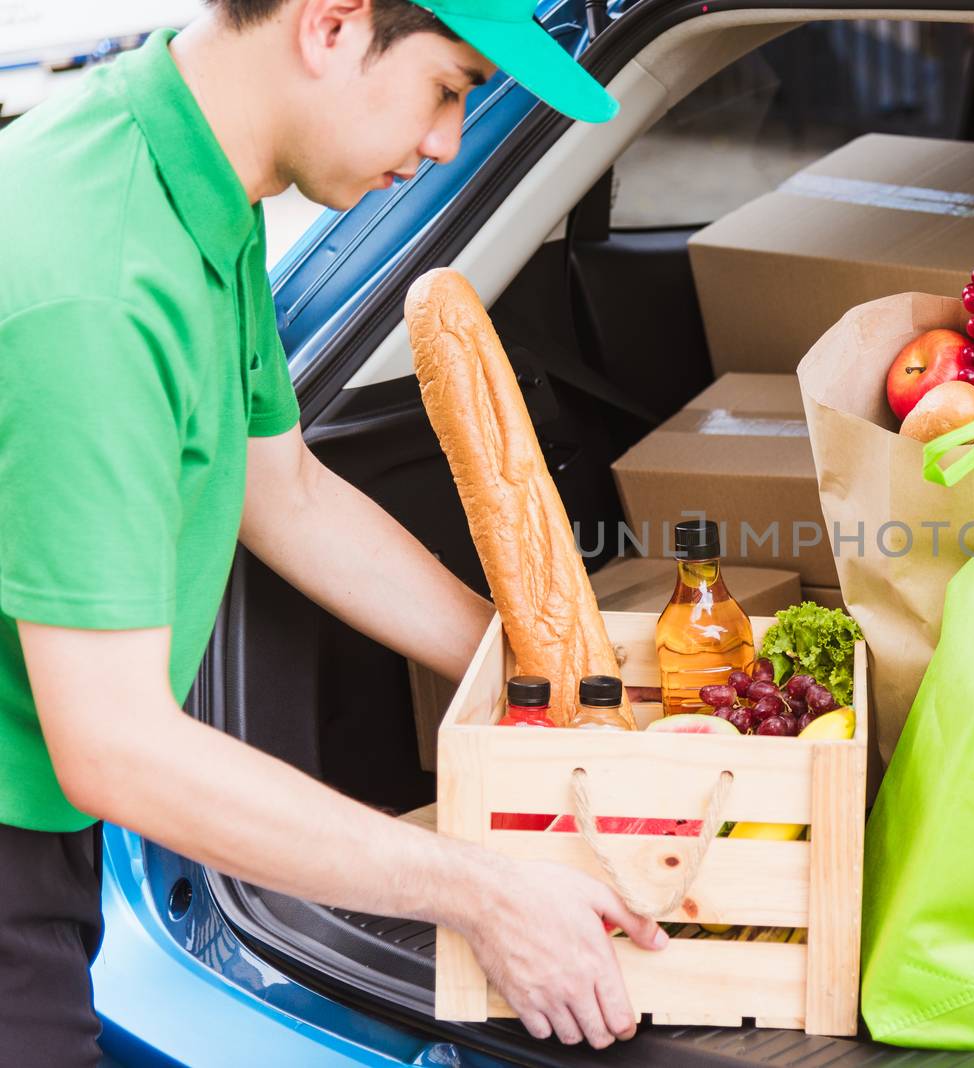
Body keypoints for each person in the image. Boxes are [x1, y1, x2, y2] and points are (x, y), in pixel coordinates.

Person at [0, 2, 656, 1061]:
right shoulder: (100, 277)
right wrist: (482, 894)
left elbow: (284, 491)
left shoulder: (200, 188)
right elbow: (115, 746)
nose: (448, 142)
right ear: (334, 25)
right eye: (451, 86)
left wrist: (543, 675)